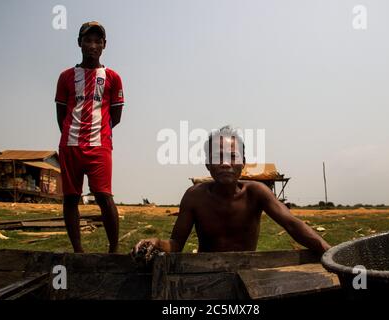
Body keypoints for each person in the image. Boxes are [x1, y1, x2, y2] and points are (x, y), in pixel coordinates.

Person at [133, 126, 330, 257]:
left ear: (243, 163)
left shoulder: (256, 192)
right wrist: (157, 242)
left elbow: (293, 225)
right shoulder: (195, 196)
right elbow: (176, 244)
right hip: (205, 272)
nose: (226, 163)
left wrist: (329, 253)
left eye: (232, 156)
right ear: (208, 164)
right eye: (218, 156)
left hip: (247, 270)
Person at [55, 21, 124, 253]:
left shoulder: (113, 77)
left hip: (100, 145)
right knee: (71, 198)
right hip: (70, 145)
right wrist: (72, 133)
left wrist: (98, 132)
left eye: (98, 41)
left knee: (104, 196)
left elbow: (116, 116)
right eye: (88, 40)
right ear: (79, 43)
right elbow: (61, 115)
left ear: (104, 45)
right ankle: (78, 252)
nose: (92, 45)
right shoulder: (66, 76)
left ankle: (113, 250)